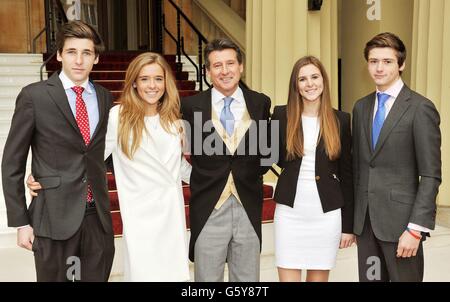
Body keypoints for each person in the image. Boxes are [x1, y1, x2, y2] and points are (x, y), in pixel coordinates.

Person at [27, 52, 192, 281]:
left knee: (174, 274)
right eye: (144, 79)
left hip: (171, 215)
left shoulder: (174, 120)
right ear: (134, 82)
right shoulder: (119, 116)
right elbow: (89, 158)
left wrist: (217, 181)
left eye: (158, 79)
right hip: (141, 215)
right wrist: (46, 175)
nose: (152, 86)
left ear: (167, 82)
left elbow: (180, 167)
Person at [1, 21, 115, 282]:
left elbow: (99, 153)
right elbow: (12, 164)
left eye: (86, 53)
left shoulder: (104, 97)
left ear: (95, 58)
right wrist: (21, 223)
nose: (79, 60)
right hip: (52, 218)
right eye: (72, 51)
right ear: (60, 55)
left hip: (97, 219)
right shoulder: (34, 96)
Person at [352, 32, 441, 282]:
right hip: (366, 227)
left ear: (401, 64)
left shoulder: (420, 108)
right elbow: (360, 167)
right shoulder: (361, 107)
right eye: (373, 61)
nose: (379, 67)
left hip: (402, 227)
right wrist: (352, 223)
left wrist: (415, 229)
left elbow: (431, 175)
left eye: (387, 61)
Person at [181, 38, 272, 282]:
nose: (225, 71)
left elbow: (267, 154)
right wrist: (201, 178)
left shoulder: (260, 103)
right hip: (209, 207)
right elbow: (181, 152)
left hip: (248, 206)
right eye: (217, 65)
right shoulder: (190, 107)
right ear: (208, 72)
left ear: (241, 66)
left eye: (230, 63)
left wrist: (247, 175)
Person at [271, 56, 355, 282]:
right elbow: (268, 156)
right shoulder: (281, 115)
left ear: (324, 81)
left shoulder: (341, 120)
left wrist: (348, 226)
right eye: (303, 79)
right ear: (296, 86)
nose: (310, 84)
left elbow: (348, 176)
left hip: (326, 215)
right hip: (290, 214)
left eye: (315, 77)